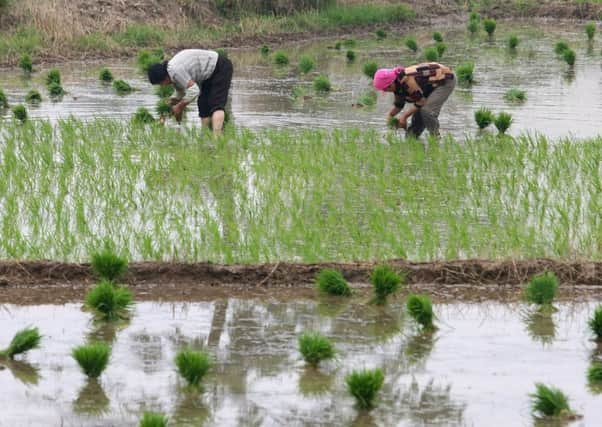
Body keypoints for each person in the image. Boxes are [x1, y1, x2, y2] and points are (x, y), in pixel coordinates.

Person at [147, 49, 233, 134]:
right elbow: (181, 92)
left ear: (164, 77)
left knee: (216, 105)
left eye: (161, 83)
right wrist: (170, 102)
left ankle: (217, 139)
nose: (163, 86)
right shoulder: (171, 73)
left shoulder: (175, 71)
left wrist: (180, 106)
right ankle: (205, 136)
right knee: (203, 104)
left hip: (219, 67)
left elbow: (194, 90)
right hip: (207, 75)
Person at [373, 62, 455, 138]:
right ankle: (412, 139)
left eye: (386, 89)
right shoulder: (397, 84)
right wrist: (390, 116)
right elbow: (399, 105)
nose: (386, 91)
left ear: (390, 84)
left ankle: (435, 137)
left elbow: (421, 102)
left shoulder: (407, 81)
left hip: (445, 80)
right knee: (412, 134)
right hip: (429, 85)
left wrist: (404, 117)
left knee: (427, 111)